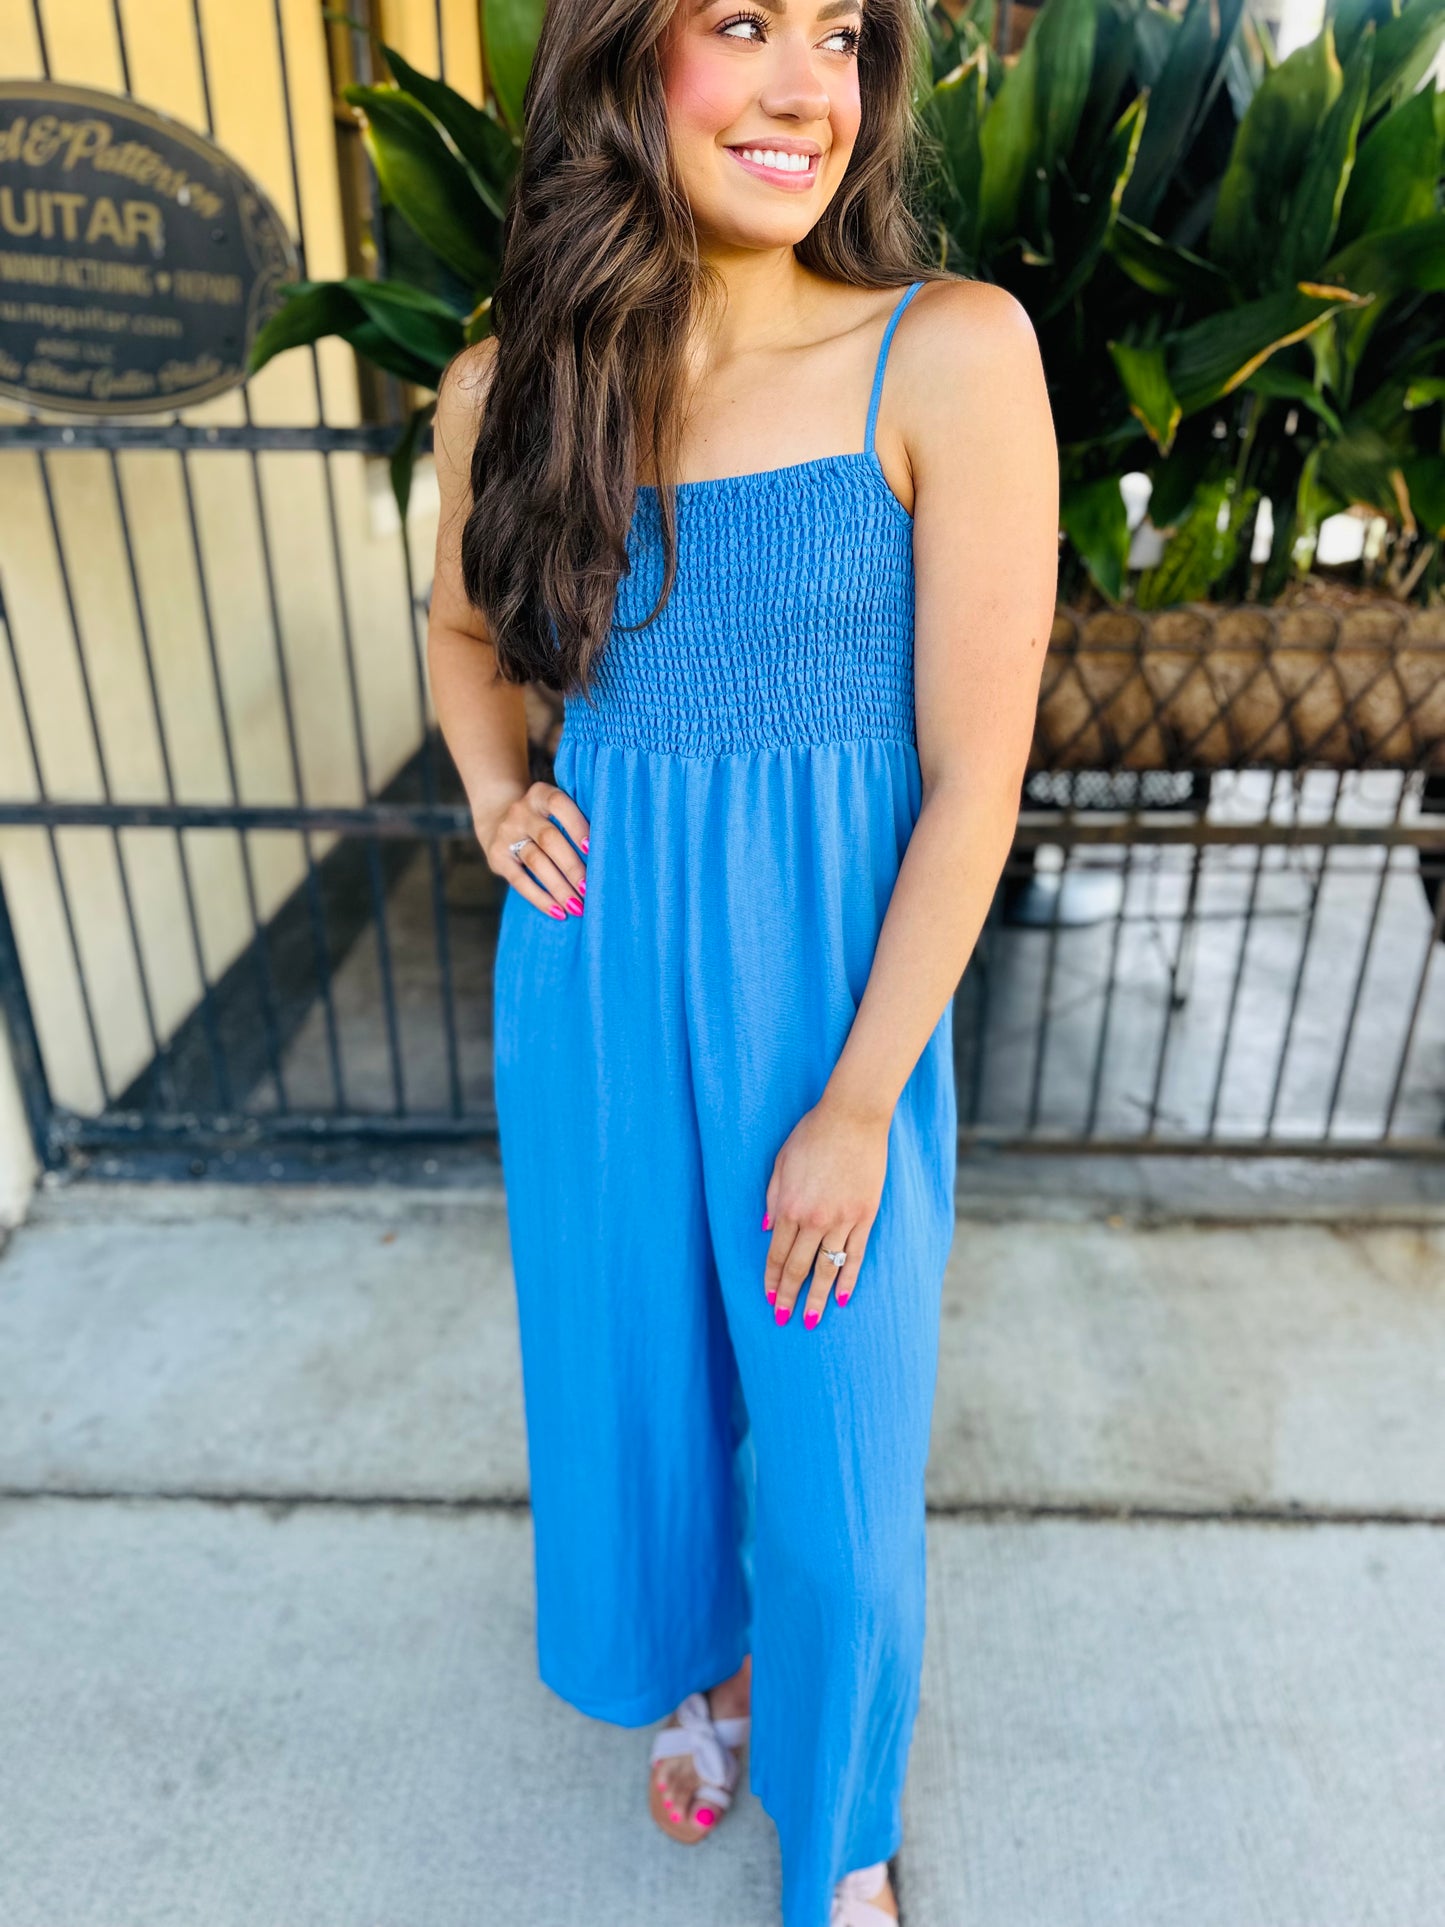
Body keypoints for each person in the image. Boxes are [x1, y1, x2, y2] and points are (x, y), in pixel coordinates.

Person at [425, 0, 1058, 1914]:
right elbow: (462, 635)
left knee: (843, 1480)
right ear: (629, 61)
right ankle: (705, 1672)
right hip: (596, 984)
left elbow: (975, 780)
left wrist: (859, 1101)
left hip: (827, 1008)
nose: (807, 88)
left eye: (842, 35)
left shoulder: (947, 352)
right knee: (638, 1393)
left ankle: (840, 1836)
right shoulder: (509, 385)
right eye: (743, 24)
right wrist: (495, 796)